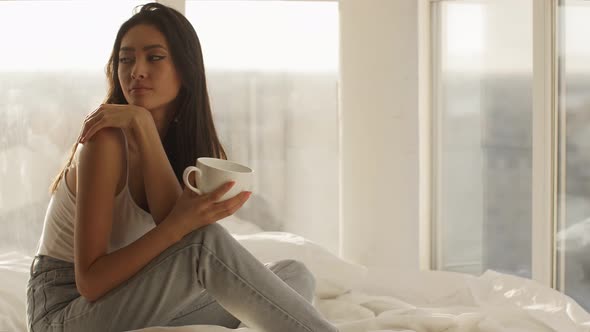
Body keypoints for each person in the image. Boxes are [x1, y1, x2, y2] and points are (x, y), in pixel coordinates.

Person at [26, 3, 338, 332]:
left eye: (154, 57)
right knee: (205, 243)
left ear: (185, 69)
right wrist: (180, 223)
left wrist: (144, 127)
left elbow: (179, 234)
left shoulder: (177, 146)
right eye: (126, 58)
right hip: (65, 313)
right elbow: (91, 282)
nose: (137, 71)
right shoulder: (105, 142)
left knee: (292, 275)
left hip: (126, 302)